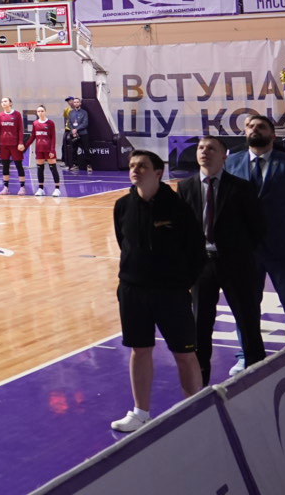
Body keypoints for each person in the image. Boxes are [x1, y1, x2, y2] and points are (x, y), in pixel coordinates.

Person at [110, 150, 205, 433]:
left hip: (171, 293)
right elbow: (123, 242)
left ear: (158, 172)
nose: (135, 170)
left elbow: (196, 250)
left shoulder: (178, 207)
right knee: (139, 350)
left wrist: (181, 282)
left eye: (142, 166)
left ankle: (197, 409)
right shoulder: (122, 206)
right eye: (132, 165)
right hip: (133, 292)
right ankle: (141, 413)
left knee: (185, 353)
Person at [175, 137, 268, 383]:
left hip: (235, 264)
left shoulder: (241, 187)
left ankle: (259, 377)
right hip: (201, 266)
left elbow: (257, 227)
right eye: (201, 148)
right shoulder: (185, 187)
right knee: (200, 327)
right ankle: (200, 383)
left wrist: (239, 252)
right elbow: (181, 230)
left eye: (211, 148)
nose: (204, 152)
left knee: (248, 322)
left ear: (224, 156)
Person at [221, 115, 285, 342]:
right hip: (245, 249)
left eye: (261, 127)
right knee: (246, 304)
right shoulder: (231, 163)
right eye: (250, 126)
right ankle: (248, 352)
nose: (254, 130)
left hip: (284, 247)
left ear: (273, 135)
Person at [29, 106, 62, 196]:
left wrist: (52, 150)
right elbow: (33, 136)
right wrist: (25, 146)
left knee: (53, 169)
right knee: (40, 169)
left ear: (45, 112)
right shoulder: (35, 123)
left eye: (42, 111)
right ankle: (40, 189)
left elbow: (53, 137)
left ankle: (57, 189)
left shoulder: (50, 123)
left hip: (49, 149)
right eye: (38, 111)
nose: (40, 112)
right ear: (37, 113)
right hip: (39, 149)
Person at [0, 97, 26, 193]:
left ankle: (22, 187)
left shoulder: (17, 114)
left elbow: (20, 129)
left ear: (10, 103)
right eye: (2, 101)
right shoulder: (0, 115)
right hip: (3, 145)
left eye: (5, 101)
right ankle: (5, 187)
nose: (3, 103)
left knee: (18, 165)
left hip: (15, 144)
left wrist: (20, 142)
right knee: (5, 166)